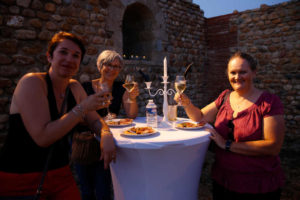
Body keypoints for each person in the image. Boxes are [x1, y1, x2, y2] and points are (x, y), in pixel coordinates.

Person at [0, 31, 116, 199]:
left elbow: (94, 121)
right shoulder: (32, 83)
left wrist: (105, 134)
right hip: (20, 179)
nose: (69, 59)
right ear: (49, 56)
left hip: (60, 174)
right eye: (63, 52)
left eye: (76, 55)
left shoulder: (75, 88)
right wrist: (82, 107)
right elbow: (43, 137)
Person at [175, 51, 285, 200]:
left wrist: (226, 144)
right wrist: (187, 103)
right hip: (223, 181)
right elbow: (200, 117)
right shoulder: (225, 96)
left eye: (242, 72)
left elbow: (273, 147)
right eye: (232, 72)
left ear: (254, 73)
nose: (237, 77)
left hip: (256, 185)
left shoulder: (269, 102)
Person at [74, 50, 139, 200]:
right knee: (86, 189)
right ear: (100, 66)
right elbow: (79, 117)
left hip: (109, 141)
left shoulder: (121, 88)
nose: (112, 69)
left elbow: (131, 115)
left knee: (103, 188)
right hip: (87, 141)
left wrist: (132, 97)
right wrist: (98, 122)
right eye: (108, 65)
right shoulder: (85, 87)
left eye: (117, 66)